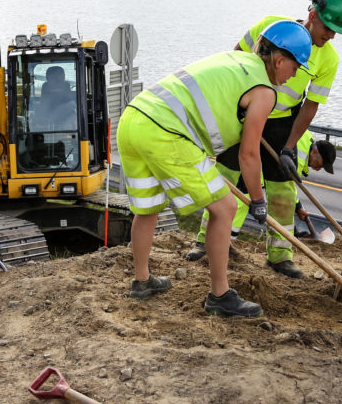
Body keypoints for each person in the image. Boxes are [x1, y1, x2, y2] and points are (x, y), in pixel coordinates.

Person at [118, 20, 312, 318]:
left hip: (134, 118)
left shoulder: (235, 59)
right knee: (224, 207)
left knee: (147, 209)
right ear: (280, 59)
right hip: (165, 130)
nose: (296, 73)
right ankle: (220, 296)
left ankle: (142, 282)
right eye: (296, 66)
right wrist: (259, 202)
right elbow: (249, 154)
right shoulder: (264, 91)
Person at [241, 0, 342, 278]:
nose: (331, 36)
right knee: (232, 177)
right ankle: (212, 242)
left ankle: (280, 255)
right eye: (328, 27)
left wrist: (288, 147)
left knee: (283, 190)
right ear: (312, 15)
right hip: (246, 110)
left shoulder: (329, 59)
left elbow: (310, 107)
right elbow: (236, 57)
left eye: (338, 31)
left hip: (281, 121)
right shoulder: (272, 26)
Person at [185, 131, 336, 258]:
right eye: (321, 164)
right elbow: (286, 189)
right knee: (229, 201)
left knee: (235, 202)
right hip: (249, 158)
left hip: (252, 157)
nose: (319, 168)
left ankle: (219, 244)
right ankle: (208, 244)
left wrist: (298, 208)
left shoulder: (305, 138)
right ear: (315, 152)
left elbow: (287, 188)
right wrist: (297, 207)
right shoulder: (298, 157)